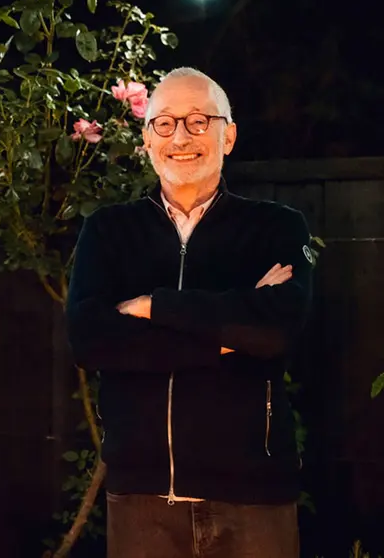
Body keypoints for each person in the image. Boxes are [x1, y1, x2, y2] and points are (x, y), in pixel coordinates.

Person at [66, 67, 313, 558]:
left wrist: (155, 306)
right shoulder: (109, 231)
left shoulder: (275, 228)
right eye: (165, 123)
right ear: (146, 138)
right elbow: (90, 339)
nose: (181, 136)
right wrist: (227, 334)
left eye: (200, 121)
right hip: (142, 499)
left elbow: (278, 329)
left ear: (229, 136)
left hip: (254, 497)